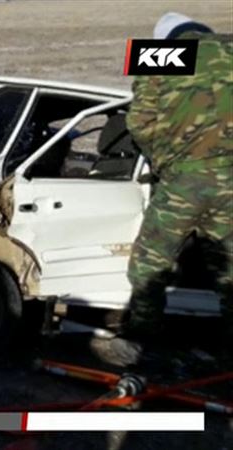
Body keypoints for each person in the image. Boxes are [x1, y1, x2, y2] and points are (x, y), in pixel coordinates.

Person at [120, 13, 232, 352]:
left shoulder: (158, 54)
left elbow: (139, 122)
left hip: (183, 180)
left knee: (150, 265)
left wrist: (165, 159)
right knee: (229, 271)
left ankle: (144, 343)